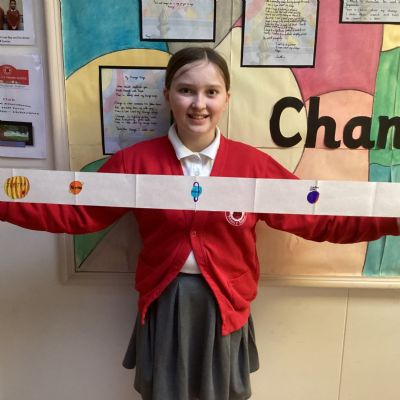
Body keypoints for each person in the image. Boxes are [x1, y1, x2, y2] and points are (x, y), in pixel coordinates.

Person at [1, 47, 399, 400]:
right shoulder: (136, 163)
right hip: (165, 302)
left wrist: (390, 219)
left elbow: (317, 220)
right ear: (168, 96)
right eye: (186, 90)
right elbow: (78, 214)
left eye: (211, 92)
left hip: (225, 304)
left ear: (227, 98)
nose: (198, 104)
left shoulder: (252, 166)